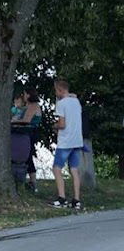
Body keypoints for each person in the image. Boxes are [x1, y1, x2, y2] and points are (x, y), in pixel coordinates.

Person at [51, 77, 84, 210]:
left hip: (65, 142)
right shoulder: (76, 101)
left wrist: (55, 126)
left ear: (60, 90)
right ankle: (76, 200)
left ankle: (62, 198)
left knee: (57, 169)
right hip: (77, 140)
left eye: (55, 91)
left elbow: (62, 124)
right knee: (74, 170)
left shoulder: (62, 104)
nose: (55, 93)